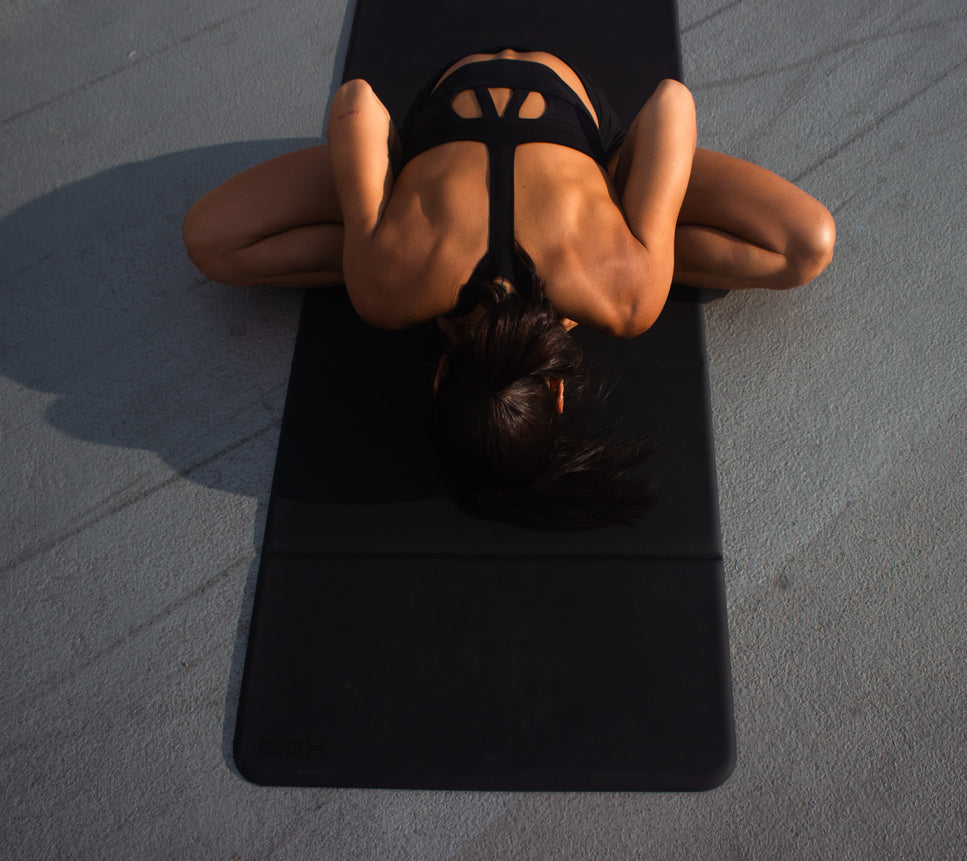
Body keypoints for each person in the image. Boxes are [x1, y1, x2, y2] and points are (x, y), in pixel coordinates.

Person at [183, 48, 835, 529]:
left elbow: (672, 103)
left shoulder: (628, 296)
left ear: (553, 385)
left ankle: (620, 215)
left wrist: (627, 219)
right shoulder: (382, 290)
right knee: (212, 245)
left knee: (806, 247)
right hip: (451, 118)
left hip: (565, 124)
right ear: (439, 381)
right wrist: (377, 225)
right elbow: (357, 103)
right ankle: (400, 211)